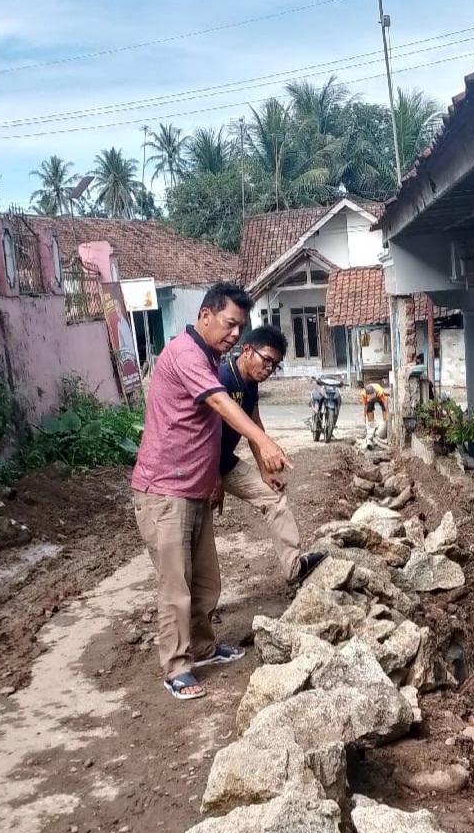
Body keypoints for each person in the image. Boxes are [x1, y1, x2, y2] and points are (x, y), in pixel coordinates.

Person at [131, 282, 291, 702]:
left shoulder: (209, 354)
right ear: (205, 315)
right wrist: (265, 442)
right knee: (176, 585)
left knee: (206, 581)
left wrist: (217, 479)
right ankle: (177, 667)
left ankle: (202, 646)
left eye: (242, 327)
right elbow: (221, 404)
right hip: (164, 491)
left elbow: (216, 428)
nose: (236, 334)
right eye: (230, 323)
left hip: (194, 489)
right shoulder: (187, 354)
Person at [215, 325, 327, 586]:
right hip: (199, 466)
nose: (269, 368)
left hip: (225, 463)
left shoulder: (251, 384)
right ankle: (199, 611)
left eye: (274, 365)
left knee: (273, 498)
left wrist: (264, 470)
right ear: (246, 350)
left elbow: (255, 428)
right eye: (266, 360)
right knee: (197, 535)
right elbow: (203, 435)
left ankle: (294, 567)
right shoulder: (222, 377)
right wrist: (213, 479)